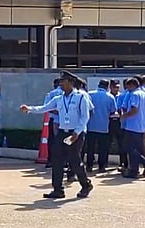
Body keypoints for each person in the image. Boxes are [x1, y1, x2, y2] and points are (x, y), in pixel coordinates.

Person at [20, 71, 93, 200]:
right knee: (57, 160)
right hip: (62, 131)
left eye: (63, 82)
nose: (61, 84)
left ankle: (85, 185)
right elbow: (45, 108)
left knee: (74, 160)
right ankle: (58, 189)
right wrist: (29, 109)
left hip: (75, 133)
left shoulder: (81, 97)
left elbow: (85, 117)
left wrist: (77, 132)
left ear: (71, 82)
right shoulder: (58, 98)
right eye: (60, 82)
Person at [120, 77, 145, 179]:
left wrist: (124, 116)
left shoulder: (134, 94)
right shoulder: (144, 94)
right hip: (141, 126)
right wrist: (143, 114)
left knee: (129, 148)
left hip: (132, 126)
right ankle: (134, 171)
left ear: (132, 85)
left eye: (127, 85)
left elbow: (134, 109)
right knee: (135, 149)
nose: (127, 88)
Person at [85, 79, 118, 173]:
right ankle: (101, 166)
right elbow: (113, 111)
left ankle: (89, 166)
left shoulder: (89, 94)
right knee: (102, 148)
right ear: (107, 87)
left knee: (90, 147)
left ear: (98, 85)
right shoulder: (110, 97)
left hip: (90, 126)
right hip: (104, 127)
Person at [43, 78, 63, 169]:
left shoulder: (51, 94)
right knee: (65, 141)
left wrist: (55, 111)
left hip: (54, 120)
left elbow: (46, 107)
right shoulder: (68, 93)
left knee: (52, 141)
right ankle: (64, 161)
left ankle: (51, 160)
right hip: (66, 121)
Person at [109, 80, 128, 171]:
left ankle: (122, 163)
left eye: (117, 87)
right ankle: (104, 164)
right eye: (114, 87)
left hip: (119, 121)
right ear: (110, 87)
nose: (116, 89)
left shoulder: (121, 96)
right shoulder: (108, 97)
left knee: (121, 144)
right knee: (106, 143)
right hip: (109, 121)